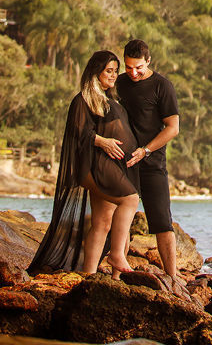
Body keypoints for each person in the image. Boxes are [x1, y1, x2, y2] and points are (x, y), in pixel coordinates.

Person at [28, 51, 139, 277]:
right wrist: (103, 142)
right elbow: (77, 133)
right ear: (95, 71)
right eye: (109, 71)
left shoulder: (110, 99)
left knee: (102, 221)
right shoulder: (83, 99)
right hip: (94, 166)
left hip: (111, 166)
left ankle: (89, 275)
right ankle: (116, 254)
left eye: (115, 71)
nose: (113, 75)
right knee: (130, 200)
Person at [116, 38, 180, 278]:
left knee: (163, 222)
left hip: (152, 163)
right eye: (129, 67)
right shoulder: (119, 83)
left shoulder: (162, 86)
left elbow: (172, 128)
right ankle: (118, 275)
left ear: (149, 61)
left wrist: (146, 150)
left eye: (139, 67)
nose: (133, 72)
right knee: (119, 220)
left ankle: (172, 278)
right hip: (121, 163)